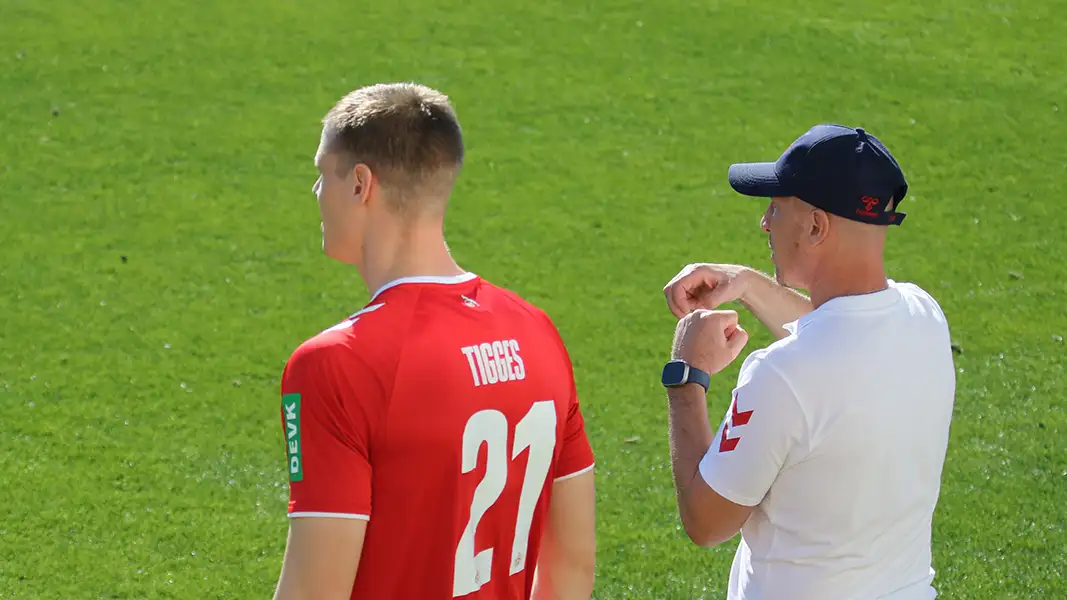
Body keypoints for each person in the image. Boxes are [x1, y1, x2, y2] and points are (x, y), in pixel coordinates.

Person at [272, 82, 596, 600]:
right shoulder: (537, 332)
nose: (316, 193)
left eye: (321, 174)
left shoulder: (336, 364)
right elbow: (573, 568)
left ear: (360, 184)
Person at [659, 124, 957, 599]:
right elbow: (838, 335)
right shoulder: (924, 317)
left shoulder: (781, 374)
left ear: (817, 226)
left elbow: (706, 521)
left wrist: (686, 378)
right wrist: (749, 284)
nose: (764, 222)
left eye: (777, 207)